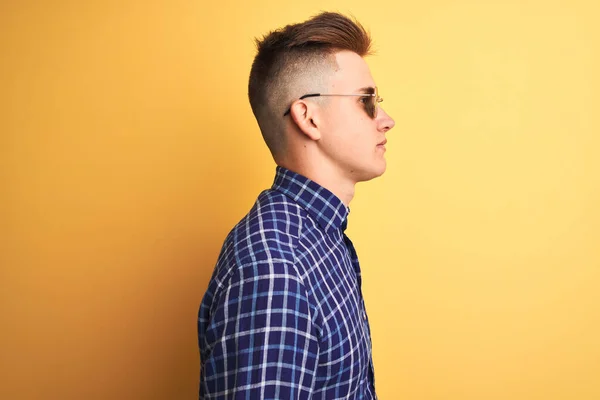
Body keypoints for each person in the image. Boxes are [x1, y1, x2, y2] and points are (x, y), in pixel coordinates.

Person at [197, 11, 395, 399]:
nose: (386, 120)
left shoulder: (321, 237)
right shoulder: (273, 270)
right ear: (308, 118)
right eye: (366, 101)